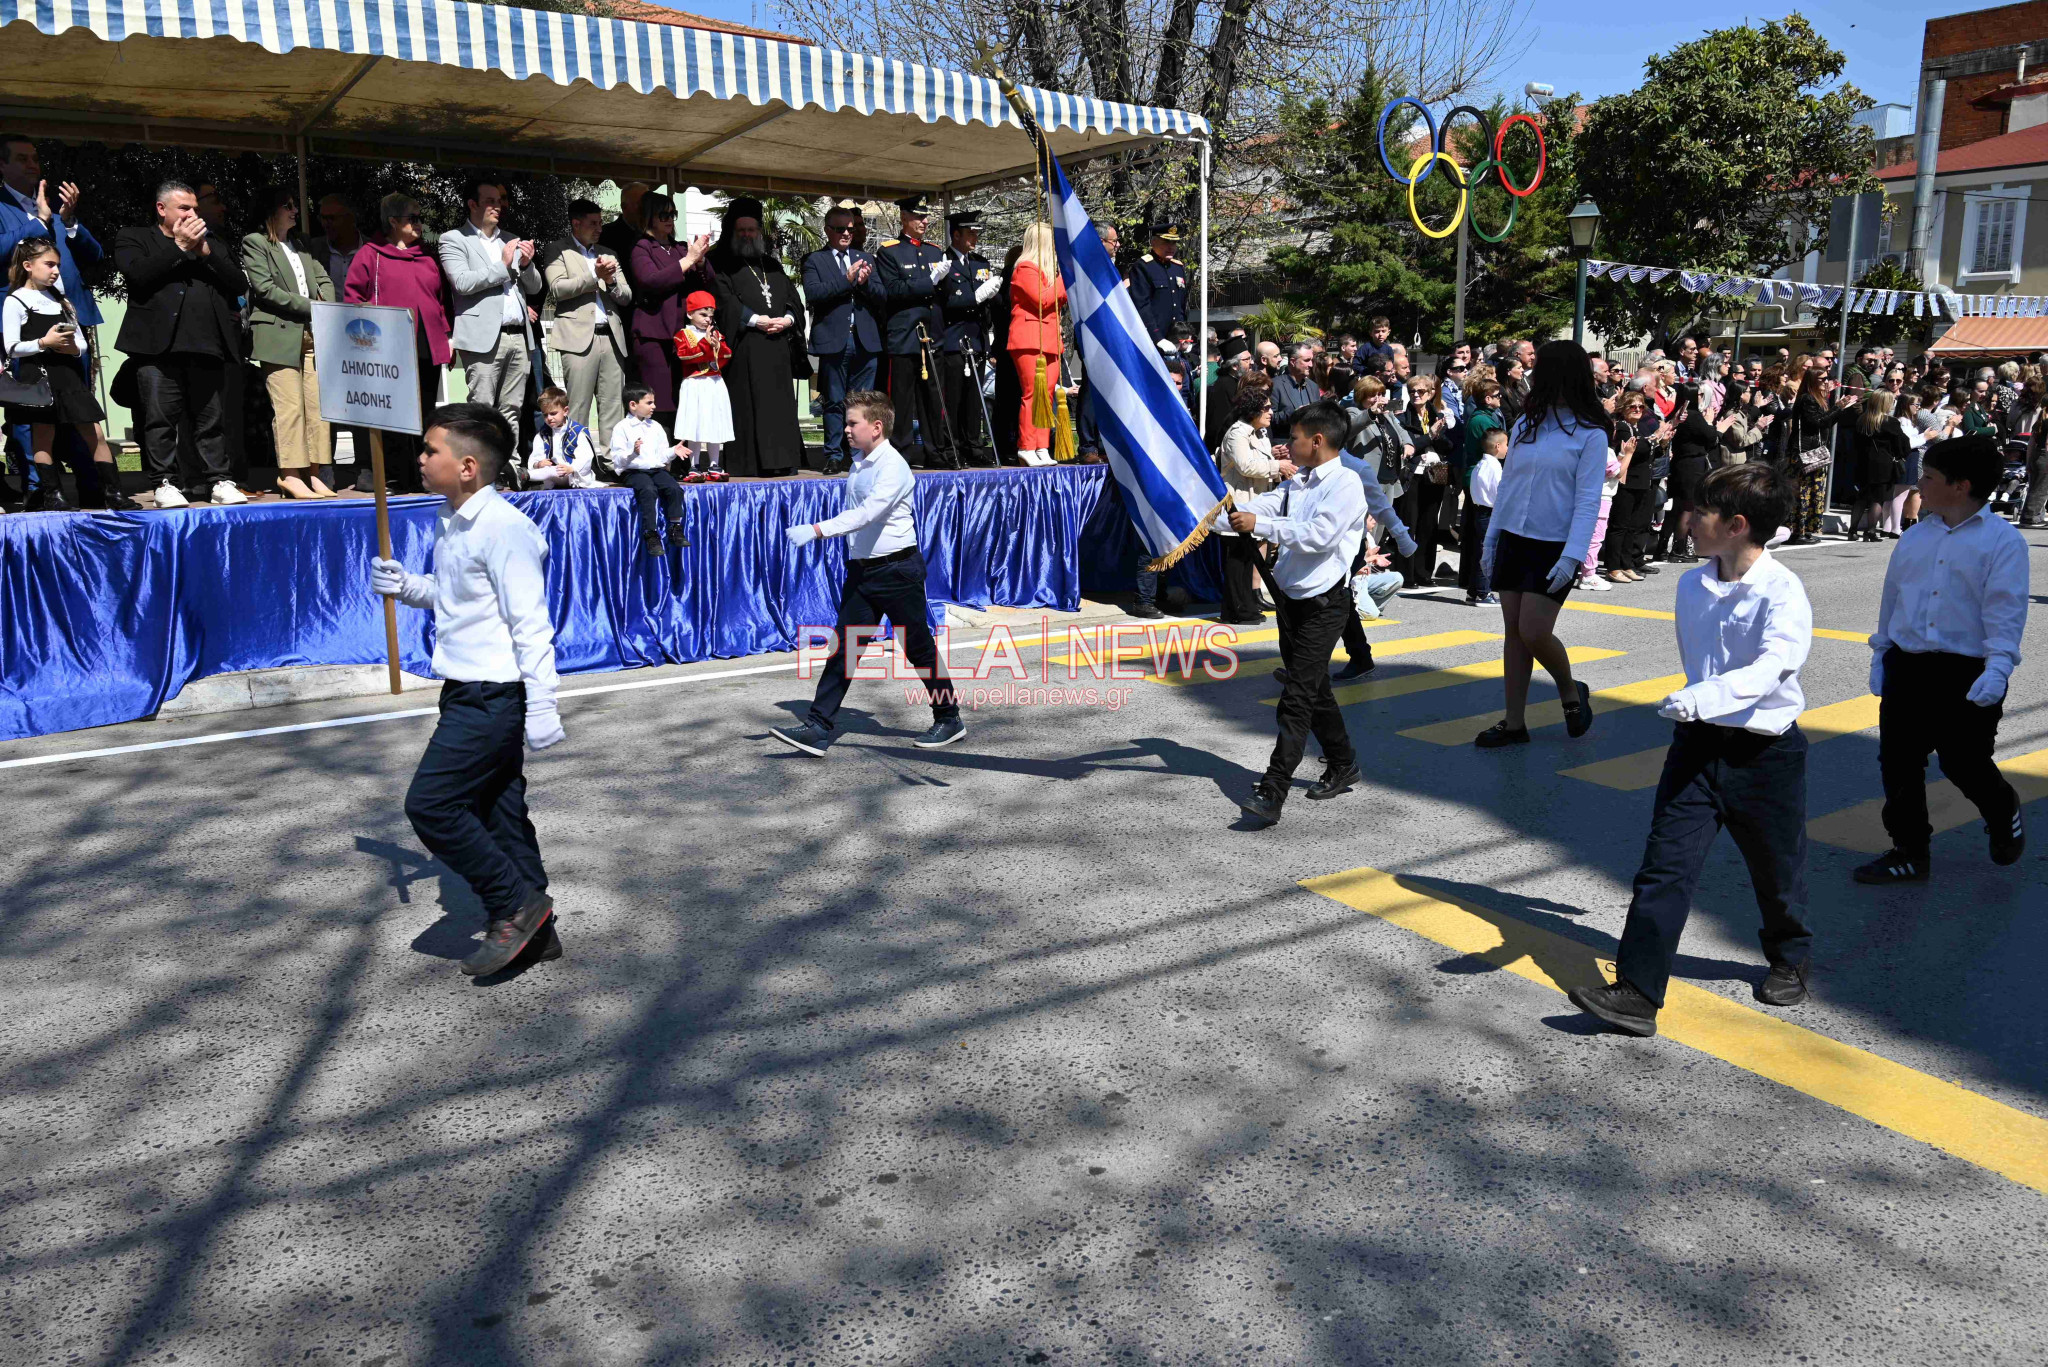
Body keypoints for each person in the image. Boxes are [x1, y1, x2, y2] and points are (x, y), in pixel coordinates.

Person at [1567, 463, 1815, 1036]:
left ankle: (1790, 956)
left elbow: (1774, 667)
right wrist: (1700, 707)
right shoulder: (1690, 585)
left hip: (1765, 753)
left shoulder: (1782, 590)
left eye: (1701, 512)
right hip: (1697, 746)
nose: (1689, 520)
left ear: (1736, 525)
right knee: (1664, 869)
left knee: (1776, 870)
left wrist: (1704, 696)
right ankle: (1636, 992)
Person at [372, 403, 565, 978]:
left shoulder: (504, 528)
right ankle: (538, 932)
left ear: (468, 467)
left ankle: (514, 906)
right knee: (499, 811)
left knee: (431, 805)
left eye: (431, 450)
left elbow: (531, 623)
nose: (420, 458)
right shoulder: (452, 519)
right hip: (465, 688)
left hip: (493, 694)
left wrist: (543, 702)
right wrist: (408, 587)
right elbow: (457, 597)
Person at [1854, 434, 2030, 885]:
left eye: (1929, 477)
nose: (1920, 485)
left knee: (1963, 762)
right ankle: (1909, 851)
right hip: (1908, 664)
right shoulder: (1915, 537)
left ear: (1960, 486)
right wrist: (1882, 650)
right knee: (1898, 761)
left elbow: (2005, 609)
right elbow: (1893, 597)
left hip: (1966, 669)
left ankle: (2002, 806)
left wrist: (1999, 667)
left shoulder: (2002, 541)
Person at [770, 389, 965, 756]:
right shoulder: (860, 461)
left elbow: (867, 513)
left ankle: (949, 718)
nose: (845, 429)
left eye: (852, 423)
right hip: (864, 572)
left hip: (897, 570)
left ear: (876, 427)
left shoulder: (893, 466)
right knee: (844, 648)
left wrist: (817, 529)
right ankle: (818, 726)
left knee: (918, 648)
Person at [1226, 402, 1368, 827]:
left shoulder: (1346, 484)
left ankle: (1273, 790)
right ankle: (1343, 762)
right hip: (1291, 603)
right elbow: (1259, 510)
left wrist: (1260, 525)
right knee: (1314, 689)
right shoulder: (1298, 483)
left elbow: (1319, 536)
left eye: (1295, 438)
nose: (1288, 444)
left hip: (1326, 606)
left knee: (1297, 698)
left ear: (1317, 441)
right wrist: (1212, 511)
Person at [1475, 339, 1611, 749]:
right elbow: (1510, 486)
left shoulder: (1591, 433)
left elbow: (1588, 501)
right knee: (1514, 633)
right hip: (1513, 536)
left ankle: (1570, 689)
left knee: (1533, 631)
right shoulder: (1524, 424)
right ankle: (1514, 723)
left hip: (1555, 545)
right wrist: (1491, 540)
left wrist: (1573, 557)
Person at [114, 180, 250, 508]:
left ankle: (219, 480)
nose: (192, 215)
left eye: (195, 209)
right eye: (184, 208)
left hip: (207, 344)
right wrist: (178, 247)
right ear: (161, 209)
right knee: (159, 420)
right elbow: (138, 275)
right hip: (156, 348)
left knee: (210, 421)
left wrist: (204, 253)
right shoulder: (135, 237)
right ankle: (164, 483)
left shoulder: (211, 243)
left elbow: (238, 283)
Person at [1, 134, 116, 509]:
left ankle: (94, 488)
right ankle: (42, 492)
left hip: (70, 321)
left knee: (79, 409)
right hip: (26, 326)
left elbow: (94, 254)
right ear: (2, 165)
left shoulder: (50, 207)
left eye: (35, 158)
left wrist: (68, 221)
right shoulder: (6, 208)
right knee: (32, 414)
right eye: (22, 158)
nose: (32, 164)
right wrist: (38, 221)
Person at [3, 238, 137, 510]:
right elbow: (12, 348)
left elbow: (82, 343)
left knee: (95, 433)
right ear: (28, 266)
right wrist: (44, 343)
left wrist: (72, 349)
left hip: (68, 375)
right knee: (43, 435)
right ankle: (53, 495)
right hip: (38, 377)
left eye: (58, 265)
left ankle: (113, 493)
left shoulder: (61, 300)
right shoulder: (15, 301)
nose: (55, 271)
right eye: (49, 264)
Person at [343, 193, 452, 495]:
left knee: (424, 414)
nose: (419, 224)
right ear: (392, 221)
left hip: (426, 345)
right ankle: (395, 478)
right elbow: (353, 299)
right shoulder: (370, 255)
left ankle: (424, 476)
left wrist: (448, 336)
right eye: (412, 218)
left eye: (420, 218)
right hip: (388, 347)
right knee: (394, 415)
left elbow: (441, 301)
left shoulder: (428, 256)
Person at [241, 186, 338, 500]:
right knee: (290, 408)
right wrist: (313, 306)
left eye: (295, 205)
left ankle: (315, 474)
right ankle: (290, 476)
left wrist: (325, 304)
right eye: (288, 206)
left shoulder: (302, 244)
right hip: (277, 335)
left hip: (311, 334)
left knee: (318, 407)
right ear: (271, 210)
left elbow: (324, 280)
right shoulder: (255, 243)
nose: (295, 211)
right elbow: (265, 289)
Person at [705, 196, 808, 477]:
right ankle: (749, 464)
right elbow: (723, 301)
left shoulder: (771, 265)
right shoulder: (719, 263)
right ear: (733, 232)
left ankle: (783, 461)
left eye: (751, 230)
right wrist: (754, 320)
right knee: (748, 408)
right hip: (744, 348)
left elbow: (793, 299)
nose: (747, 235)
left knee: (779, 408)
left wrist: (787, 319)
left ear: (759, 232)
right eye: (742, 230)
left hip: (777, 348)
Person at [440, 175, 541, 443]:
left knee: (512, 410)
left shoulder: (509, 239)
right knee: (482, 409)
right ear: (472, 204)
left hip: (518, 336)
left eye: (499, 201)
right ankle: (483, 463)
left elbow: (535, 286)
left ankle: (510, 462)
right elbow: (462, 282)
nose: (498, 206)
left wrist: (527, 264)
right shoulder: (454, 239)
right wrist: (503, 266)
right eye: (490, 201)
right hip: (482, 337)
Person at [542, 197, 633, 450]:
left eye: (601, 223)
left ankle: (611, 460)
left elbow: (626, 296)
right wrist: (595, 275)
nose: (599, 228)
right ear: (576, 223)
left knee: (613, 405)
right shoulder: (557, 250)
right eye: (593, 223)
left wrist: (611, 282)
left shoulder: (609, 254)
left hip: (611, 337)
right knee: (578, 405)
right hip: (577, 337)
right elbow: (558, 288)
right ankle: (575, 459)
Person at [802, 203, 884, 476]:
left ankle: (860, 454)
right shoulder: (815, 260)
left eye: (850, 229)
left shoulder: (866, 258)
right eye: (840, 229)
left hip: (864, 340)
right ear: (827, 230)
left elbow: (883, 296)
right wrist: (846, 280)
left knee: (862, 404)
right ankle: (834, 456)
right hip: (834, 341)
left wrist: (865, 283)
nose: (847, 233)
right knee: (835, 402)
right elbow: (814, 294)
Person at [874, 194, 956, 469]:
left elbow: (945, 293)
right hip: (905, 335)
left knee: (933, 398)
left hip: (932, 335)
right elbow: (893, 290)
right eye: (919, 216)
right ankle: (900, 452)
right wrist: (929, 281)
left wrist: (944, 280)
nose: (925, 221)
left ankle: (935, 451)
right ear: (904, 218)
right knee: (902, 400)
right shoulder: (889, 252)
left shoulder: (934, 251)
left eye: (926, 216)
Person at [624, 193, 713, 439]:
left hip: (682, 335)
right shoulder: (642, 247)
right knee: (658, 399)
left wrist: (700, 261)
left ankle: (680, 452)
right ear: (649, 217)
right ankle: (657, 451)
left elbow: (706, 283)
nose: (669, 219)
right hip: (653, 333)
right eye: (663, 214)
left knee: (682, 396)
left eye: (673, 214)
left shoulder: (680, 248)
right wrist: (689, 260)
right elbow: (651, 281)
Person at [1216, 386, 1295, 624]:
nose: (1271, 412)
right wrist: (1278, 466)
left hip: (1255, 503)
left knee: (1248, 558)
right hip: (1239, 503)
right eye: (1266, 408)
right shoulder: (1237, 433)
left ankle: (1247, 605)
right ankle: (1234, 610)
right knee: (1237, 560)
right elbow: (1246, 466)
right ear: (1253, 410)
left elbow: (1258, 461)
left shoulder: (1258, 433)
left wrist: (1274, 457)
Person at [937, 210, 1002, 468]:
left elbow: (988, 304)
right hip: (954, 339)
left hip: (976, 338)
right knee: (954, 399)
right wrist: (975, 297)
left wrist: (992, 296)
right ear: (956, 235)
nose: (975, 237)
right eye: (970, 233)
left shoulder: (979, 263)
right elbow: (946, 301)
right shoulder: (944, 262)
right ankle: (952, 448)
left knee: (974, 399)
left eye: (976, 233)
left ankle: (974, 446)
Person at [1006, 222, 1066, 467]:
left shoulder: (1046, 272)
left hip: (1048, 339)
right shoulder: (1025, 268)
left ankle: (1041, 445)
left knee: (1047, 395)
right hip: (1030, 339)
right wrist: (1065, 278)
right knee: (1033, 393)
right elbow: (1043, 300)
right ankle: (1027, 446)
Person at [610, 384, 688, 556]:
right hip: (633, 471)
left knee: (674, 488)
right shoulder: (621, 428)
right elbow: (618, 458)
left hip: (655, 469)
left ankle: (675, 527)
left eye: (653, 402)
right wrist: (632, 452)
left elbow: (661, 456)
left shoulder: (656, 426)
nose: (654, 406)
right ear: (633, 405)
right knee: (647, 489)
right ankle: (651, 533)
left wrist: (673, 451)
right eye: (649, 403)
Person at [1781, 367, 1856, 543]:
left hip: (1814, 452)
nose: (1825, 381)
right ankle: (1797, 532)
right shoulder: (1807, 398)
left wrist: (1839, 408)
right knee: (1803, 493)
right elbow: (1817, 423)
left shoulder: (1817, 398)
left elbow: (1826, 423)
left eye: (1826, 378)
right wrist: (1838, 408)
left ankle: (1806, 530)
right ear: (1812, 380)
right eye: (1821, 379)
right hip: (1804, 453)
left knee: (1814, 493)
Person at [1394, 373, 1454, 587]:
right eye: (1412, 391)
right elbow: (1408, 446)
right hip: (1412, 476)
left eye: (1421, 391)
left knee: (1429, 524)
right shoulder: (1402, 418)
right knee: (1409, 523)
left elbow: (1449, 446)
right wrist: (1429, 436)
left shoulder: (1437, 416)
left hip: (1435, 474)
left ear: (1430, 394)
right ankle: (1406, 575)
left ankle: (1424, 573)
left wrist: (1437, 436)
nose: (1416, 395)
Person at [671, 289, 734, 481]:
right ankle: (695, 465)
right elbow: (686, 356)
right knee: (694, 424)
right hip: (694, 384)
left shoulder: (716, 334)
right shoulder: (683, 334)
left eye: (711, 316)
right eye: (703, 314)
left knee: (715, 423)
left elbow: (726, 355)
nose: (708, 319)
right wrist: (706, 344)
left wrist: (717, 346)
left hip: (714, 383)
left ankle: (714, 464)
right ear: (690, 314)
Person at [1846, 389, 1907, 543]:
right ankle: (1870, 531)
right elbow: (1901, 444)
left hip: (1862, 462)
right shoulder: (1890, 422)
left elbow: (1855, 443)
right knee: (1878, 499)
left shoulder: (1861, 420)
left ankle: (1852, 531)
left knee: (1861, 498)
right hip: (1883, 464)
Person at [1462, 425, 1507, 604]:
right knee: (1487, 553)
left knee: (1479, 551)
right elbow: (1499, 493)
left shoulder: (1480, 465)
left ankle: (1473, 592)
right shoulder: (1494, 467)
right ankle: (1483, 593)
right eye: (1506, 444)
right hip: (1490, 513)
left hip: (1480, 510)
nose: (1507, 448)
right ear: (1497, 446)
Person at [1126, 224, 1189, 344]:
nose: (1171, 247)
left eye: (1174, 243)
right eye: (1166, 242)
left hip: (1177, 339)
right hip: (1153, 339)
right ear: (1153, 242)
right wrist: (1157, 338)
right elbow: (1142, 306)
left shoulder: (1177, 268)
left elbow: (1182, 306)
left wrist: (1185, 336)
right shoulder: (1143, 267)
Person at [527, 386, 599, 488]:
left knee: (552, 471)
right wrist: (538, 464)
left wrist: (571, 468)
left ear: (565, 411)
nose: (549, 418)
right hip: (553, 477)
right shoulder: (542, 435)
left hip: (575, 477)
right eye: (545, 415)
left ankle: (525, 476)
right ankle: (523, 476)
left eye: (553, 413)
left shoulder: (578, 432)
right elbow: (535, 457)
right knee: (549, 471)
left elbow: (586, 457)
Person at [1269, 342, 1322, 441]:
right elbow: (1269, 418)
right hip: (1284, 444)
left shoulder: (1313, 386)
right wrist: (1294, 414)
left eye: (1312, 360)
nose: (1311, 365)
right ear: (1293, 362)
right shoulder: (1275, 385)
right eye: (1307, 360)